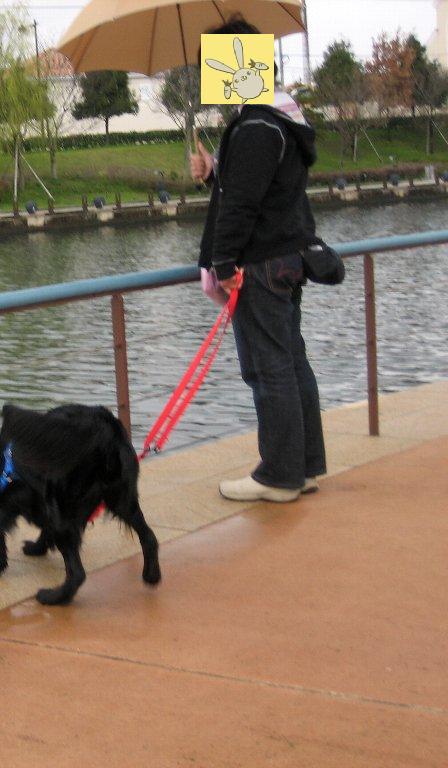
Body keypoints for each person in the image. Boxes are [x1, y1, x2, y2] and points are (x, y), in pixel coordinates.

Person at [191, 17, 326, 502]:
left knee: (269, 369)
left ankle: (279, 476)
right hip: (287, 257)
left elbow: (243, 207)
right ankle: (303, 466)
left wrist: (224, 265)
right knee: (290, 361)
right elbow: (265, 191)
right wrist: (214, 174)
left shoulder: (254, 127)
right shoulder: (281, 118)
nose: (213, 77)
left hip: (261, 265)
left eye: (216, 66)